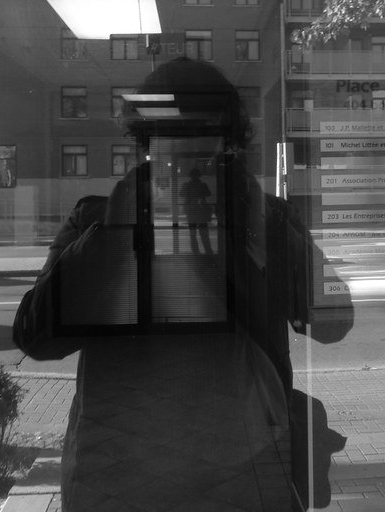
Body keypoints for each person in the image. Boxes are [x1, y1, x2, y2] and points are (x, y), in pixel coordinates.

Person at [36, 57, 353, 511]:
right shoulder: (96, 220)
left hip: (240, 474)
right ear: (145, 149)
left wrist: (260, 225)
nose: (187, 175)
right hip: (124, 476)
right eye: (171, 156)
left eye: (203, 156)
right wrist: (117, 226)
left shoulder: (264, 223)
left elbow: (334, 320)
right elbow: (39, 337)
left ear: (230, 151)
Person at [179, 167, 213, 254]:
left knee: (193, 234)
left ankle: (196, 252)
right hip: (201, 212)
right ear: (199, 176)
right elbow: (208, 194)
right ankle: (208, 252)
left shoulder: (187, 185)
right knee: (204, 234)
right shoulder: (202, 185)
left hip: (191, 212)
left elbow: (181, 194)